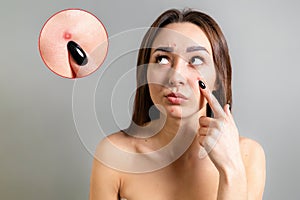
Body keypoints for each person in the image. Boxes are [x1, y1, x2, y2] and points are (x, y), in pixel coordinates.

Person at [89, 8, 266, 200]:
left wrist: (231, 170)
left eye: (196, 60)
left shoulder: (247, 155)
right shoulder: (115, 154)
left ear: (218, 79)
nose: (175, 77)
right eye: (162, 59)